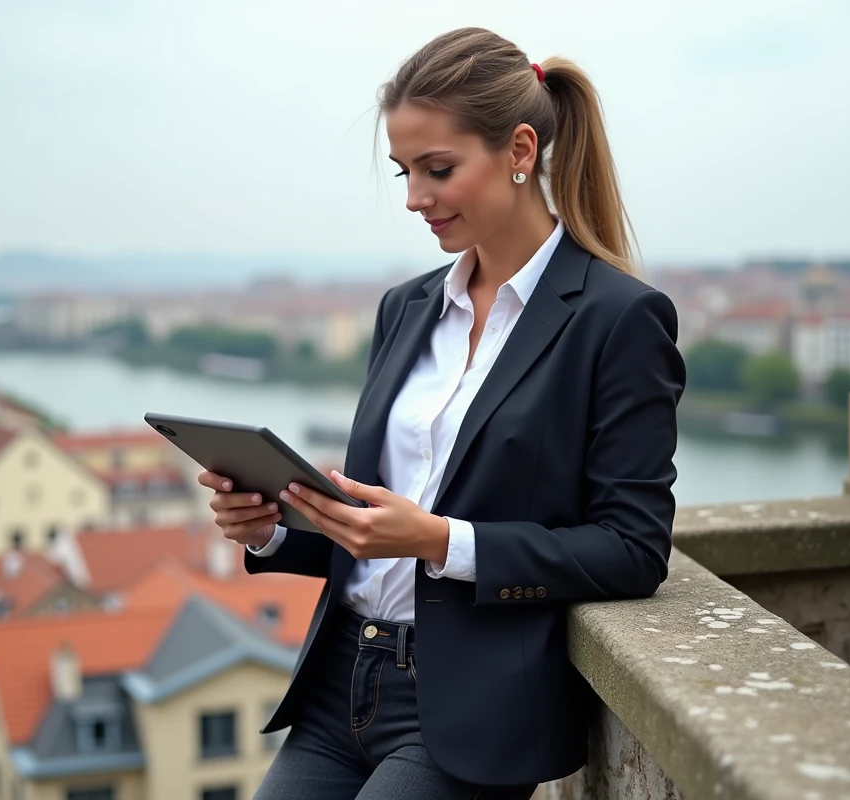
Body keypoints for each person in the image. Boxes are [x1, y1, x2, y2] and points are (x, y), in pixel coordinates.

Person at [198, 26, 686, 800]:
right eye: (405, 172)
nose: (414, 198)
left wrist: (439, 540)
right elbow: (374, 532)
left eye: (438, 169)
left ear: (519, 150)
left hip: (469, 709)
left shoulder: (619, 319)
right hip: (336, 686)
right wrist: (272, 530)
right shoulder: (406, 307)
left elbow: (632, 549)